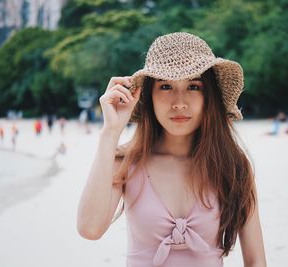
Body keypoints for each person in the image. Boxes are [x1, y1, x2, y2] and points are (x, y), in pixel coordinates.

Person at [77, 32, 266, 267]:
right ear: (148, 96)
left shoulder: (233, 165)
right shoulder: (126, 162)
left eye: (193, 86)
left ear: (210, 97)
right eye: (166, 86)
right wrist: (110, 132)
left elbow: (256, 261)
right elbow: (89, 228)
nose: (179, 102)